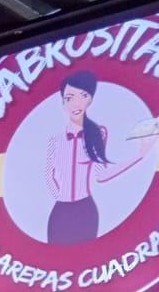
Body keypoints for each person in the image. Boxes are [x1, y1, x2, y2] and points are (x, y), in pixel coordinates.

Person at [44, 69, 150, 246]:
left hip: (85, 210)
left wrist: (139, 156)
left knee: (85, 256)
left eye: (83, 96)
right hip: (60, 212)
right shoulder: (55, 141)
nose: (75, 104)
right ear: (63, 103)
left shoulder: (97, 133)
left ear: (90, 100)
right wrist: (61, 198)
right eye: (69, 98)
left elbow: (101, 174)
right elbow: (49, 175)